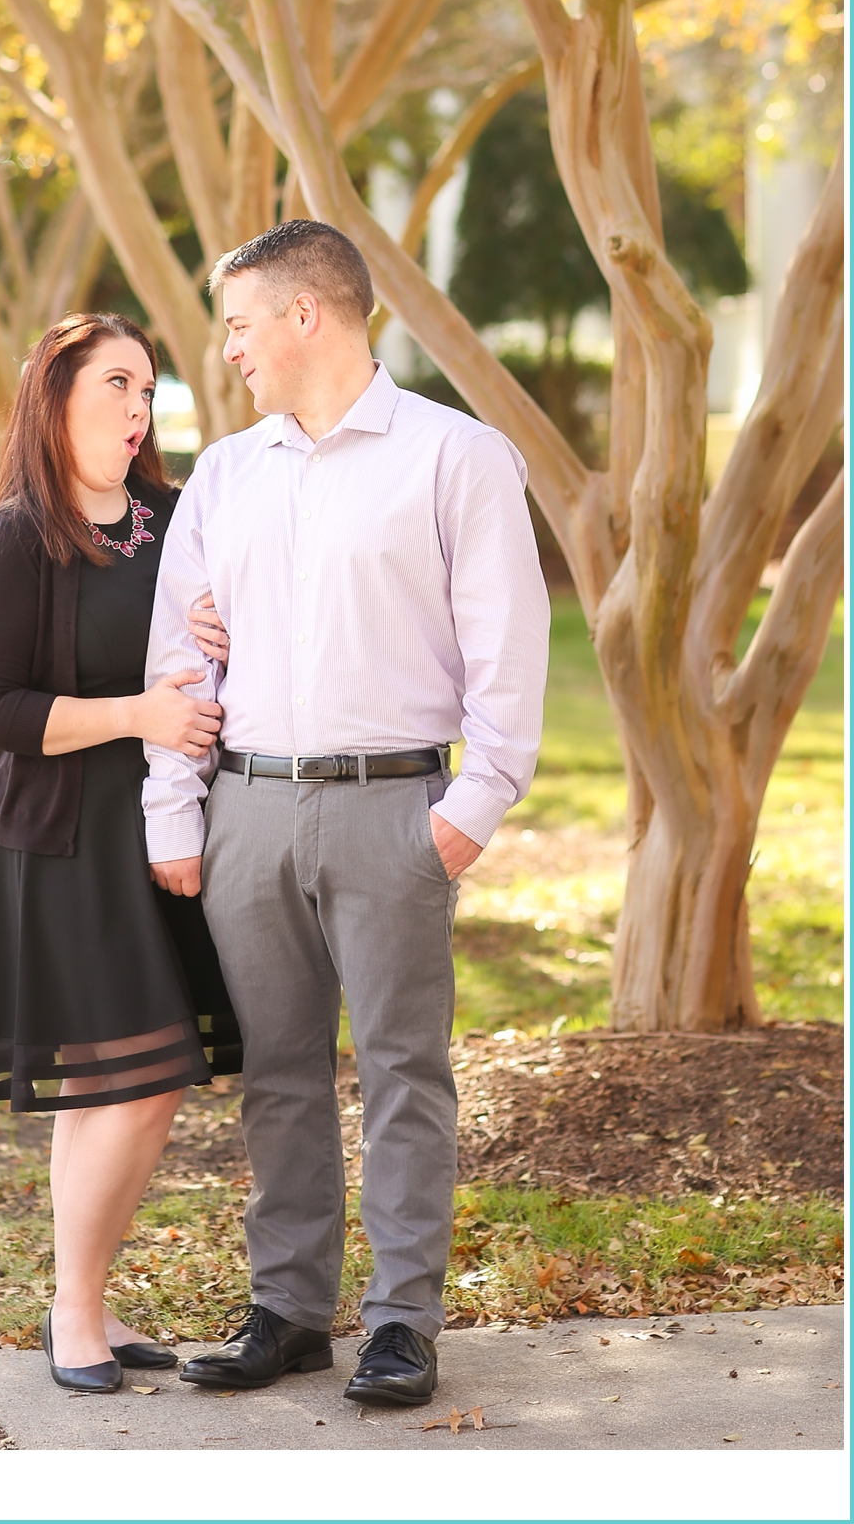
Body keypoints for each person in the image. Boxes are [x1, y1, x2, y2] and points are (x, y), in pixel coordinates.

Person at [142, 221, 549, 1407]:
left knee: (403, 1070)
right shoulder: (226, 472)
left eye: (238, 324)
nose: (229, 353)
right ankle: (288, 1310)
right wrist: (178, 816)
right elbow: (185, 658)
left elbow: (509, 654)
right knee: (276, 1070)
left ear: (305, 316)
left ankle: (402, 1323)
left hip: (395, 812)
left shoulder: (455, 457)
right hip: (250, 812)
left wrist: (469, 807)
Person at [0, 312, 241, 1396]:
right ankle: (74, 1308)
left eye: (150, 391)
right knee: (139, 1081)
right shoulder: (18, 537)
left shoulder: (171, 516)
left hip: (169, 831)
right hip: (67, 842)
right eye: (118, 385)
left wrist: (223, 629)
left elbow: (205, 648)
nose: (139, 410)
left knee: (116, 1088)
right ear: (56, 396)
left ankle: (87, 1298)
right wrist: (136, 716)